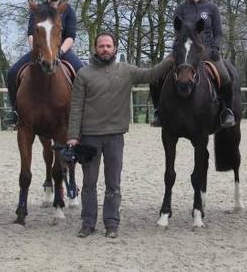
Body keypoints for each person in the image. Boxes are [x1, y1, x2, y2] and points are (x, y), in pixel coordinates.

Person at [67, 33, 173, 239]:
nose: (105, 49)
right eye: (101, 46)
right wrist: (72, 136)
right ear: (95, 48)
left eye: (108, 46)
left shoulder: (126, 71)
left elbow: (152, 74)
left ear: (115, 48)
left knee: (113, 183)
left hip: (115, 136)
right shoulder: (83, 74)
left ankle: (111, 223)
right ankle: (88, 223)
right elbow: (76, 106)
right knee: (89, 182)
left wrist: (171, 58)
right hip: (89, 136)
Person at [150, 0, 235, 128]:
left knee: (225, 76)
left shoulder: (211, 8)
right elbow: (178, 33)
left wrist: (215, 47)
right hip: (184, 51)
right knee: (156, 75)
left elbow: (218, 32)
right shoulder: (180, 9)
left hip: (208, 51)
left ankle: (226, 111)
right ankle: (158, 111)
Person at [4, 0, 84, 126]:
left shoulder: (68, 10)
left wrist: (59, 52)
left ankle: (84, 112)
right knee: (12, 72)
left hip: (62, 50)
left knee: (82, 72)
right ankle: (15, 111)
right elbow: (30, 33)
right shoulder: (38, 10)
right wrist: (39, 51)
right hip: (41, 50)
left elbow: (70, 36)